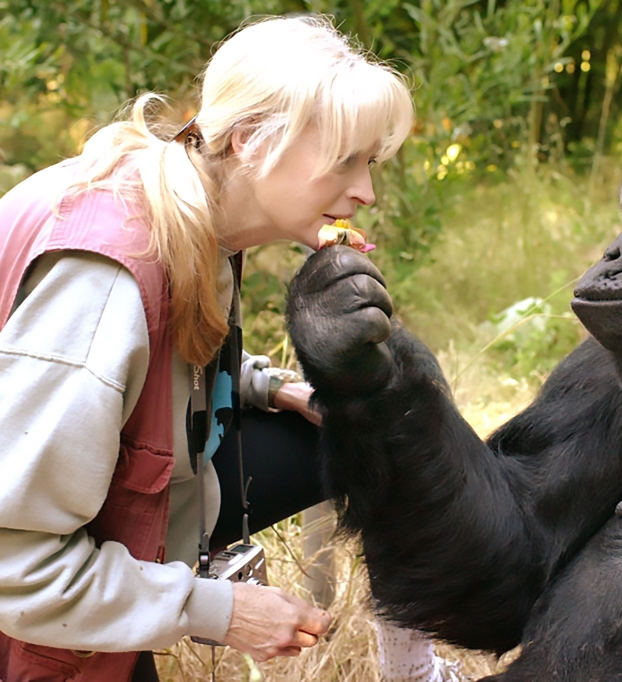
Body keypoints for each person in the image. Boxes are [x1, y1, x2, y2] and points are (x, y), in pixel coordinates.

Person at [0, 14, 437, 682]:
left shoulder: (192, 209)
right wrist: (220, 609)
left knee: (365, 434)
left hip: (79, 512)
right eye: (344, 160)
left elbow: (147, 369)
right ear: (249, 140)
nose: (365, 193)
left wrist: (264, 383)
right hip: (26, 593)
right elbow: (15, 565)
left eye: (369, 162)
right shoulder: (105, 282)